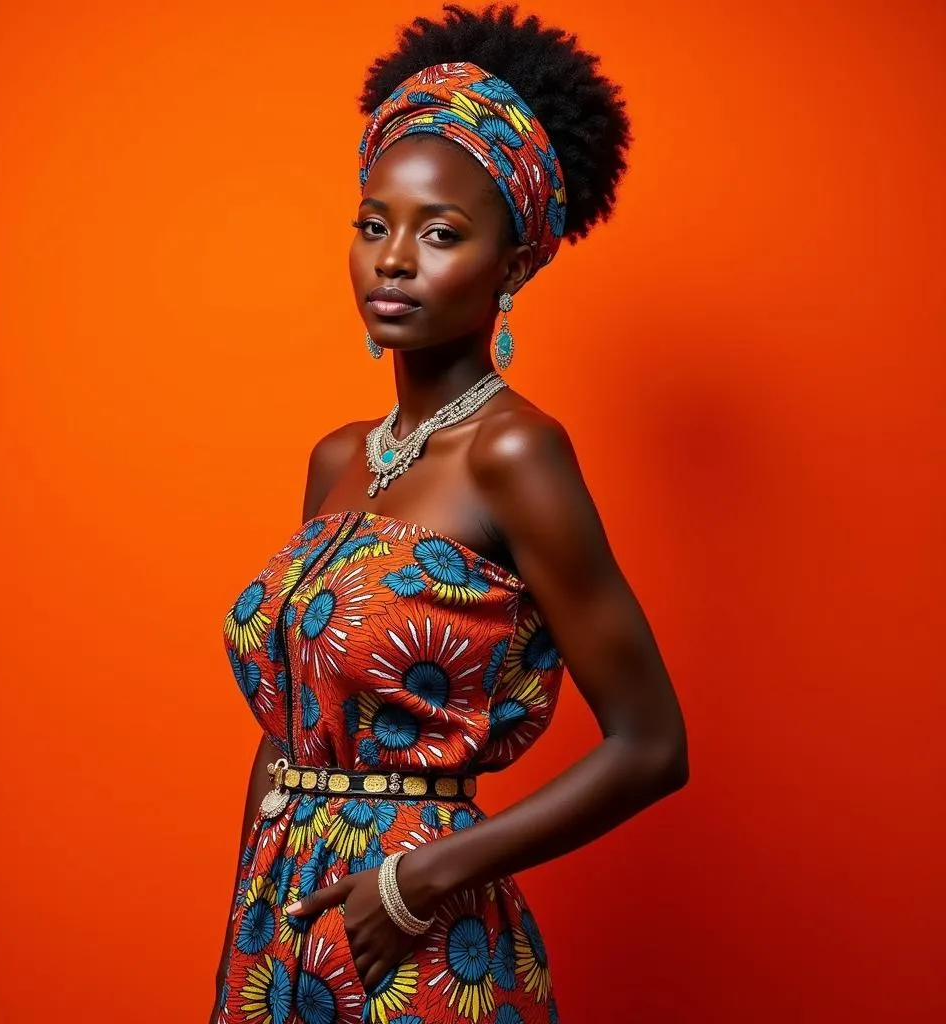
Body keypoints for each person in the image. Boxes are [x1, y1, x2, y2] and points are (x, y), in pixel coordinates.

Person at [211, 5, 689, 1022]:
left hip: (419, 944)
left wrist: (423, 879)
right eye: (373, 224)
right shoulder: (338, 458)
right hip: (280, 934)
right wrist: (247, 926)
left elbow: (650, 743)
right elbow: (292, 720)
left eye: (441, 233)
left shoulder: (515, 453)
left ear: (513, 266)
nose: (393, 258)